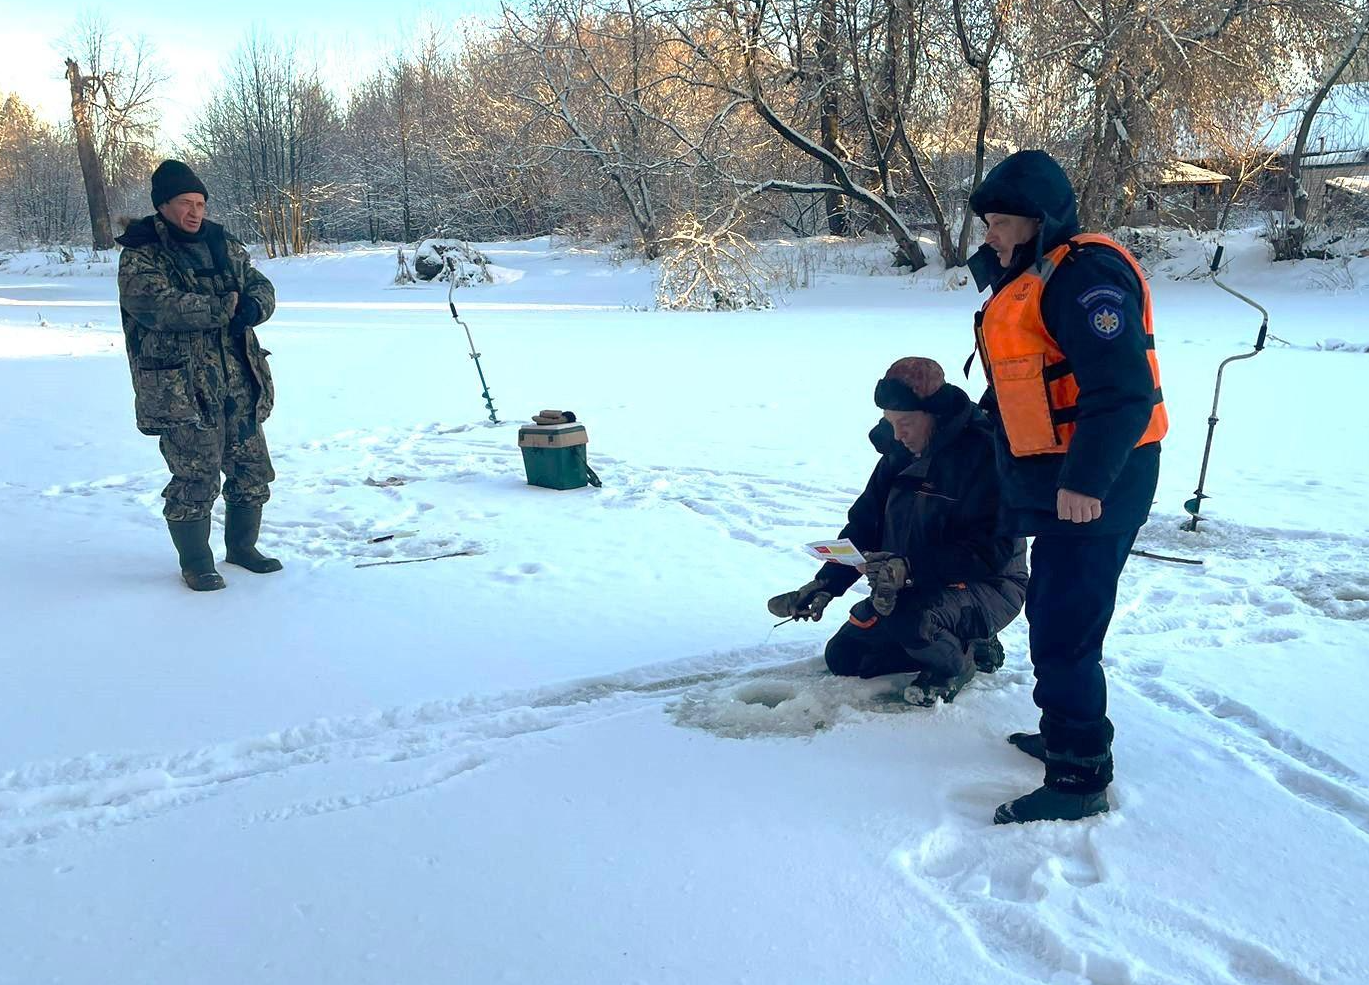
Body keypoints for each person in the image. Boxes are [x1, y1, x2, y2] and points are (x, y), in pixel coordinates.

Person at [965, 150, 1168, 824]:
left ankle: (1079, 774)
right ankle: (1063, 732)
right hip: (1064, 476)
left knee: (1065, 626)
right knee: (1054, 607)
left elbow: (1123, 391)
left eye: (998, 221)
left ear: (1036, 220)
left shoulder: (1084, 277)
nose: (989, 234)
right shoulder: (1033, 273)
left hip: (1099, 478)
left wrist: (1085, 482)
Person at [768, 357, 1027, 705]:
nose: (897, 433)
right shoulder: (898, 455)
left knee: (912, 619)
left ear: (934, 415)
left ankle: (959, 661)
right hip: (912, 585)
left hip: (990, 585)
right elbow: (863, 527)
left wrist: (909, 568)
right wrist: (826, 584)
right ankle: (950, 641)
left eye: (905, 423)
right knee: (845, 658)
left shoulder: (982, 455)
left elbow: (990, 552)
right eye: (890, 423)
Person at [115, 160, 282, 591]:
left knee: (252, 470)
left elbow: (260, 285)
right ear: (163, 206)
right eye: (186, 203)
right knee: (195, 477)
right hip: (182, 389)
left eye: (201, 203)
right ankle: (196, 561)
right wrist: (225, 306)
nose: (195, 212)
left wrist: (255, 306)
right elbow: (156, 306)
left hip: (239, 378)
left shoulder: (223, 243)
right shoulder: (142, 253)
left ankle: (243, 549)